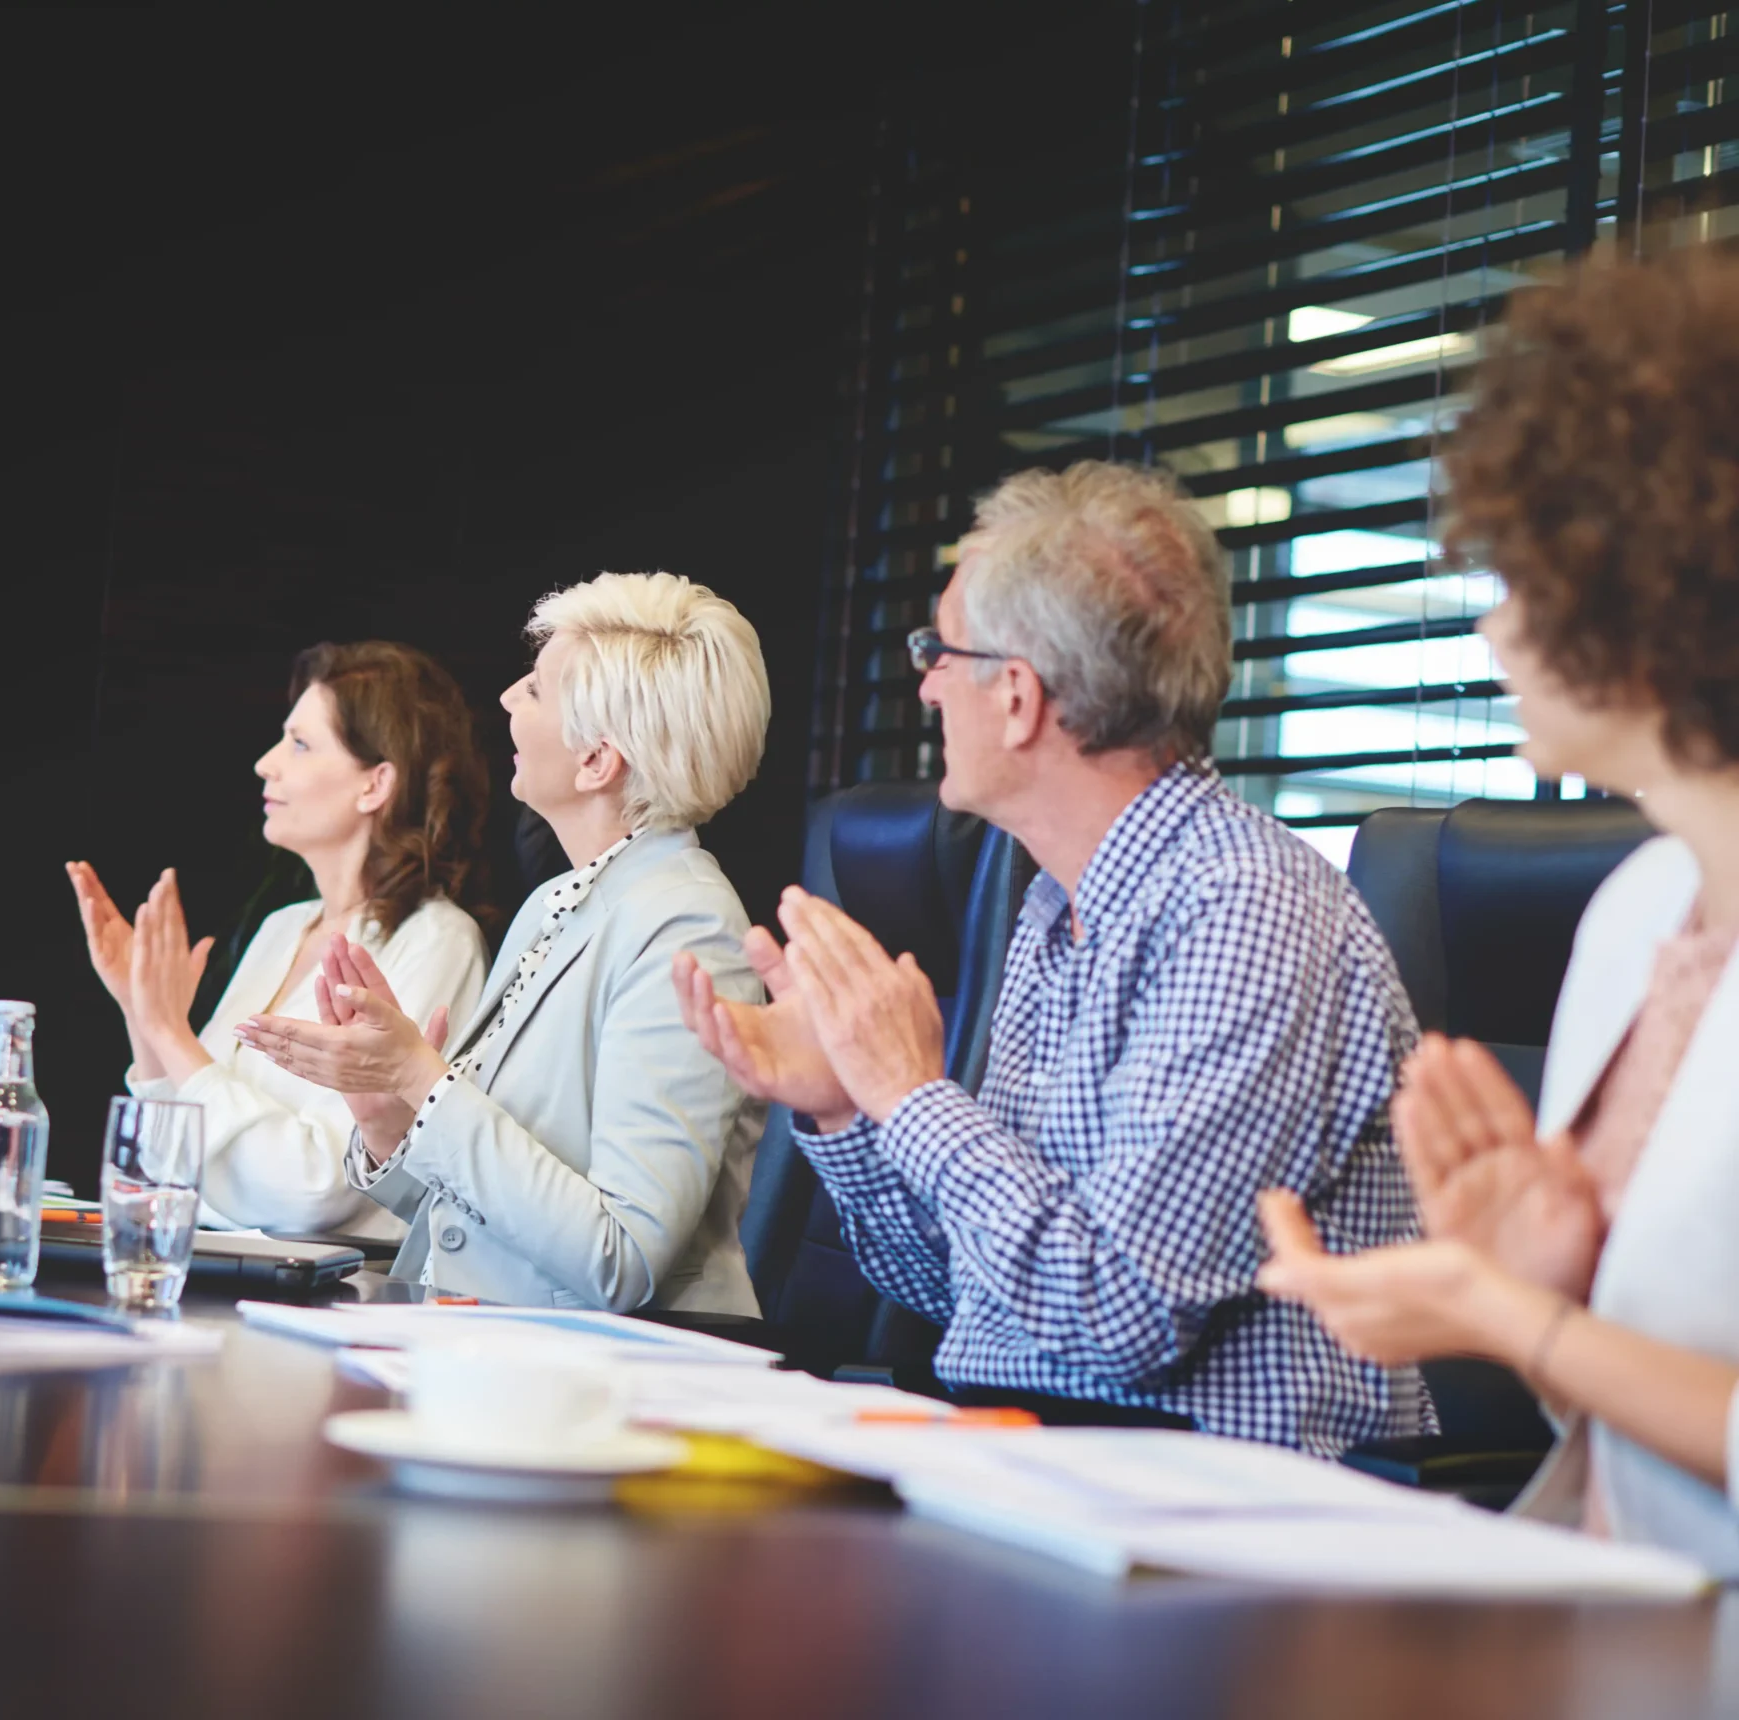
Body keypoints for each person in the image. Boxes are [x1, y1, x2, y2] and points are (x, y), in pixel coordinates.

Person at [679, 461, 1430, 1453]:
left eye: (939, 649)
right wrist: (845, 1109)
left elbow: (1117, 1318)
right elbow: (969, 1286)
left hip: (1213, 1509)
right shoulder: (1054, 909)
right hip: (1051, 1460)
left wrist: (912, 1098)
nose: (926, 682)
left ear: (1021, 697)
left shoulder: (1244, 911)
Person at [1257, 252, 1739, 1574]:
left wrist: (1516, 1318)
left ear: (1654, 584)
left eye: (1518, 576)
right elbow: (1615, 1423)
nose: (1495, 634)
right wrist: (1540, 1290)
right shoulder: (1637, 916)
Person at [233, 572, 770, 1315]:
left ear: (596, 761)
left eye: (537, 689)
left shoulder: (689, 927)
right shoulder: (557, 900)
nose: (510, 698)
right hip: (487, 1353)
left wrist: (423, 1080)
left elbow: (621, 1259)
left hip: (611, 1388)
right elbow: (477, 1208)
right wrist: (386, 1118)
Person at [66, 641, 491, 1239]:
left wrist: (169, 1030)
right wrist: (142, 1015)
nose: (267, 763)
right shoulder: (284, 928)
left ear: (376, 784)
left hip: (330, 1303)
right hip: (202, 1268)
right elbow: (162, 1167)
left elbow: (317, 1193)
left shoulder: (437, 940)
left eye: (299, 744)